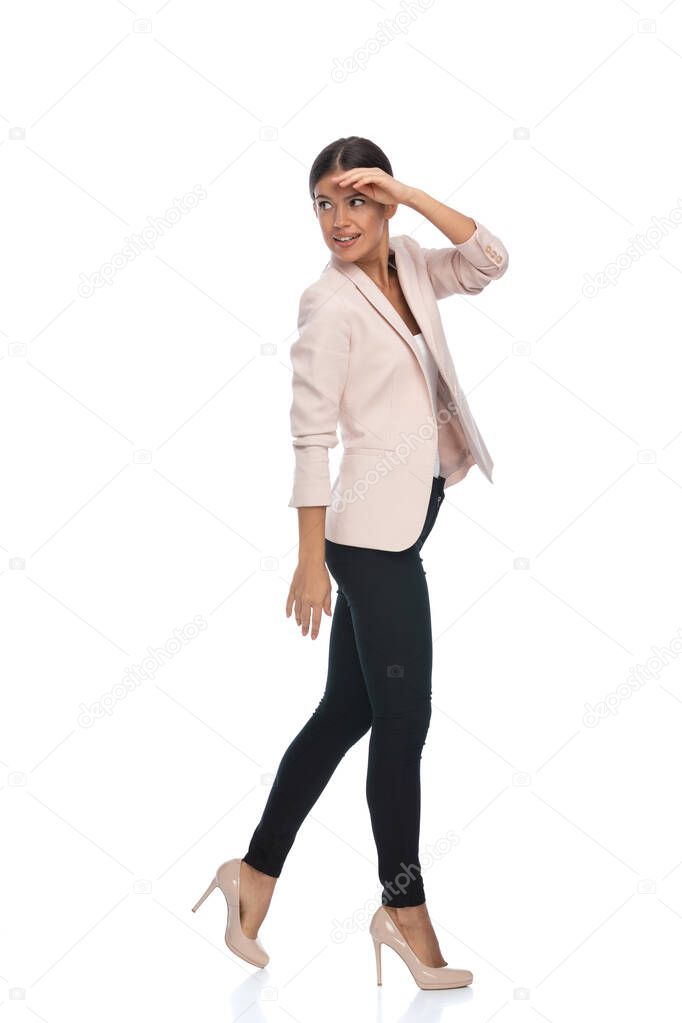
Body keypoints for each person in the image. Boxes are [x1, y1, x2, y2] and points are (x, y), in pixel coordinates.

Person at [192, 136, 509, 989]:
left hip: (413, 510)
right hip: (367, 539)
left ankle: (253, 872)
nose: (339, 219)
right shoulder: (326, 305)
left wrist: (410, 192)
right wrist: (309, 560)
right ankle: (402, 908)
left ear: (386, 206)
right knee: (406, 723)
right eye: (325, 205)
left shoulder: (408, 260)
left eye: (356, 200)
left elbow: (488, 261)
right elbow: (309, 436)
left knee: (345, 710)